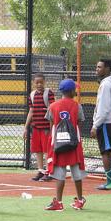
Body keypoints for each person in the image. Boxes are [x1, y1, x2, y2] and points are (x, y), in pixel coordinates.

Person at [44, 79, 87, 211]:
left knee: (60, 174)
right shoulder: (77, 106)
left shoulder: (53, 106)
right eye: (75, 89)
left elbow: (51, 126)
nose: (76, 91)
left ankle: (59, 202)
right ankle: (80, 200)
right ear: (71, 91)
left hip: (58, 144)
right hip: (74, 143)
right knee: (77, 173)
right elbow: (79, 124)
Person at [90, 58, 111, 190]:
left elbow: (103, 107)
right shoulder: (109, 83)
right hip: (109, 122)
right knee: (106, 152)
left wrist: (96, 125)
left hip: (106, 123)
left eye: (99, 67)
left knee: (105, 152)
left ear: (107, 69)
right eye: (97, 67)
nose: (97, 69)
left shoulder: (106, 84)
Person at [24, 72, 55, 181]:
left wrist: (48, 111)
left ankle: (49, 171)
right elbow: (31, 111)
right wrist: (26, 127)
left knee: (47, 150)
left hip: (46, 128)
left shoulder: (49, 93)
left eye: (41, 82)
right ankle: (41, 171)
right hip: (35, 127)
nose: (39, 85)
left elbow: (52, 108)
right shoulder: (32, 95)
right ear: (33, 83)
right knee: (38, 150)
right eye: (37, 83)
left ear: (44, 82)